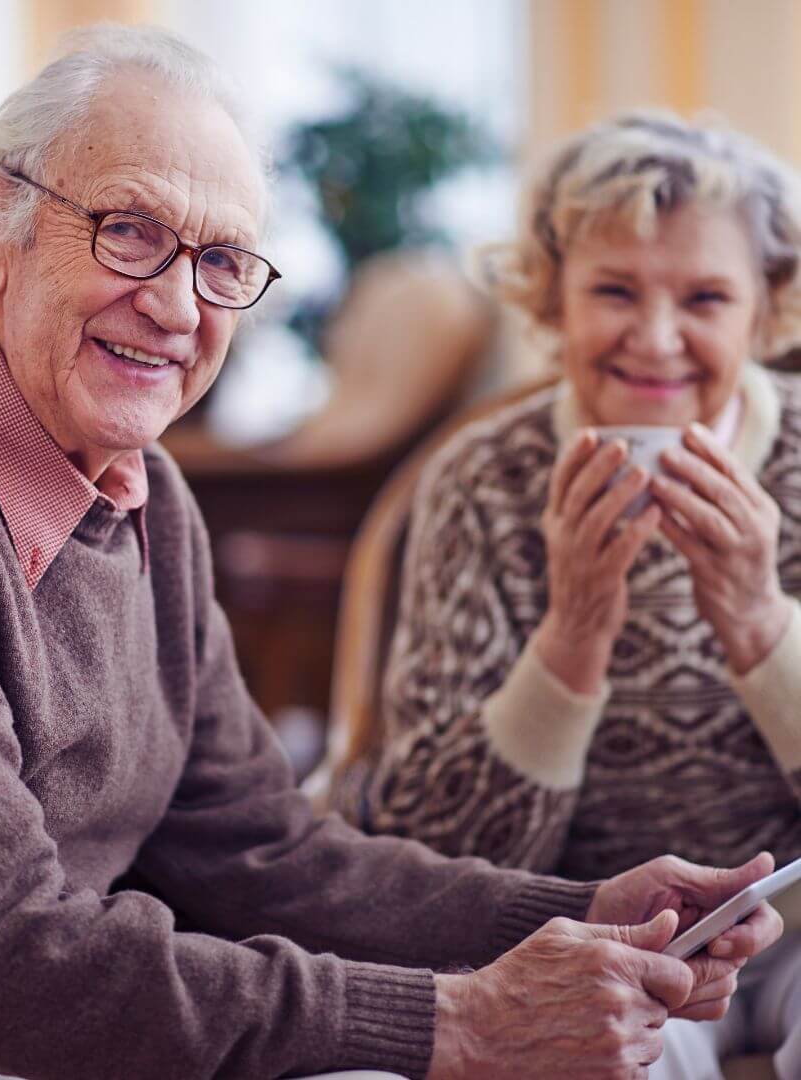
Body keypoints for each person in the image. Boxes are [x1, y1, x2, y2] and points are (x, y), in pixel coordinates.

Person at [0, 31, 780, 1080]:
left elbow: (261, 853)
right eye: (128, 232)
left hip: (41, 1036)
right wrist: (452, 1022)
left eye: (221, 261)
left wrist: (581, 913)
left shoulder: (144, 493)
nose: (179, 307)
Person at [363, 110, 801, 1079]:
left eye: (705, 298)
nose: (655, 340)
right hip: (583, 936)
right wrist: (573, 636)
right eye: (613, 290)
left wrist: (761, 624)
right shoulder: (482, 483)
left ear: (764, 313)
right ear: (553, 302)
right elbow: (434, 851)